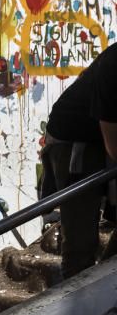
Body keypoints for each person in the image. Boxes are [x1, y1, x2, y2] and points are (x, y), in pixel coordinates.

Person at [41, 44, 117, 279]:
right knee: (81, 240)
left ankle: (105, 283)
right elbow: (114, 146)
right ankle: (80, 302)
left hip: (99, 137)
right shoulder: (113, 65)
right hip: (73, 141)